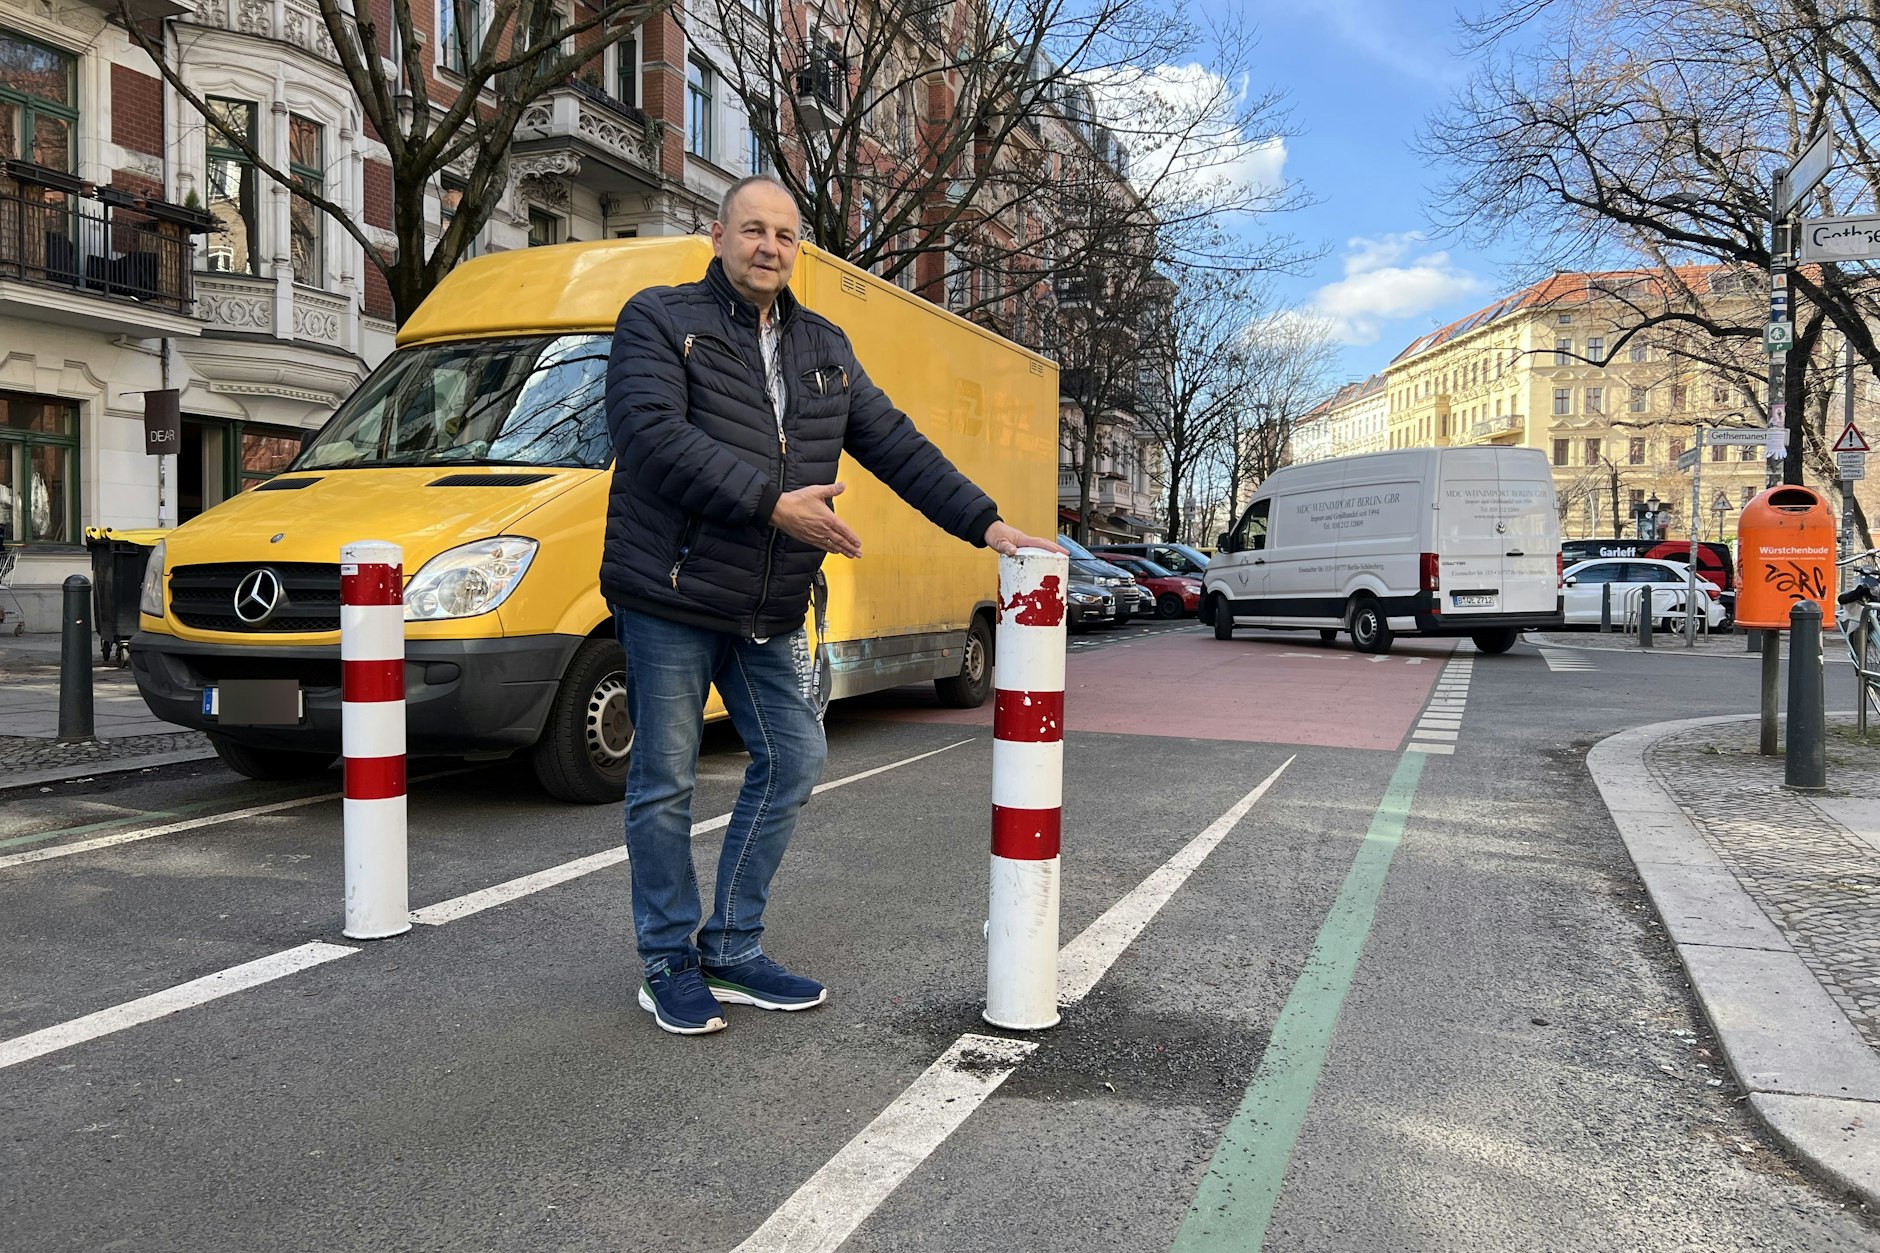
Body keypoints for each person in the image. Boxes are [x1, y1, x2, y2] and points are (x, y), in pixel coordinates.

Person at [603, 175, 1061, 1035]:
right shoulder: (660, 319)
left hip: (765, 602)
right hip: (672, 591)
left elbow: (897, 446)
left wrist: (990, 526)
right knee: (664, 781)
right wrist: (772, 503)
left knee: (794, 759)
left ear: (798, 248)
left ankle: (730, 945)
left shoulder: (824, 345)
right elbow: (651, 436)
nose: (768, 246)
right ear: (717, 235)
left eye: (784, 235)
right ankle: (666, 959)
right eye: (752, 229)